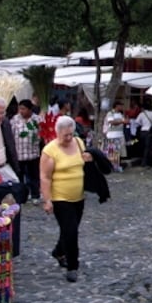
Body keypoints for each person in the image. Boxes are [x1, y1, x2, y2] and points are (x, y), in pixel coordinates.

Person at [40, 115, 93, 283]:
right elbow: (45, 177)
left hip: (78, 195)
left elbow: (84, 161)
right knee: (71, 231)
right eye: (65, 135)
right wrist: (47, 200)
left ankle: (58, 251)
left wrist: (88, 159)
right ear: (57, 133)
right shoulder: (50, 150)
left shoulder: (78, 142)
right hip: (60, 196)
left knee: (69, 228)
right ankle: (72, 266)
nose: (69, 138)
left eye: (71, 134)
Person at [10, 98, 43, 204]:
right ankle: (21, 196)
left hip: (33, 154)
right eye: (20, 109)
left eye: (23, 109)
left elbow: (42, 135)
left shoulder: (37, 120)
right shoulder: (15, 120)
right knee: (19, 177)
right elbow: (11, 135)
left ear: (30, 109)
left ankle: (35, 195)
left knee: (34, 176)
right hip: (19, 154)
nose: (21, 111)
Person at [103, 101, 127, 173]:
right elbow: (112, 122)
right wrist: (121, 122)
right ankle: (112, 166)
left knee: (120, 151)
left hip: (120, 134)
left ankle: (117, 165)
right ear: (117, 106)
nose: (122, 107)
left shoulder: (120, 114)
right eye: (121, 105)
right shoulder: (110, 113)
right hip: (112, 135)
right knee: (113, 152)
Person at [134, 101, 152, 167]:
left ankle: (143, 161)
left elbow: (137, 122)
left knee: (143, 146)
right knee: (148, 147)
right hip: (149, 132)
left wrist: (142, 124)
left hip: (142, 131)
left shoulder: (141, 114)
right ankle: (146, 162)